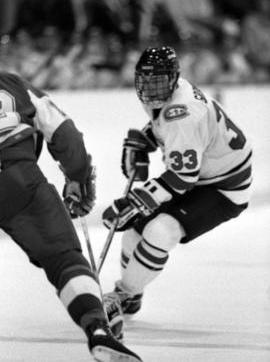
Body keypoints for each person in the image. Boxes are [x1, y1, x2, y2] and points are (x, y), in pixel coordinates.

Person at [102, 46, 252, 339]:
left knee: (161, 231)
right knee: (134, 232)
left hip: (224, 186)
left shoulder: (181, 112)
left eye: (157, 81)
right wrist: (147, 138)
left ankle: (123, 294)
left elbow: (182, 176)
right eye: (144, 80)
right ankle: (131, 295)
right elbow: (171, 133)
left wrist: (136, 201)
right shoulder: (171, 95)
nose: (149, 89)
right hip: (203, 175)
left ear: (173, 79)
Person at [0, 71, 142, 362]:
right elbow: (65, 133)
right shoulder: (13, 85)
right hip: (16, 178)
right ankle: (97, 327)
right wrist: (77, 176)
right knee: (63, 259)